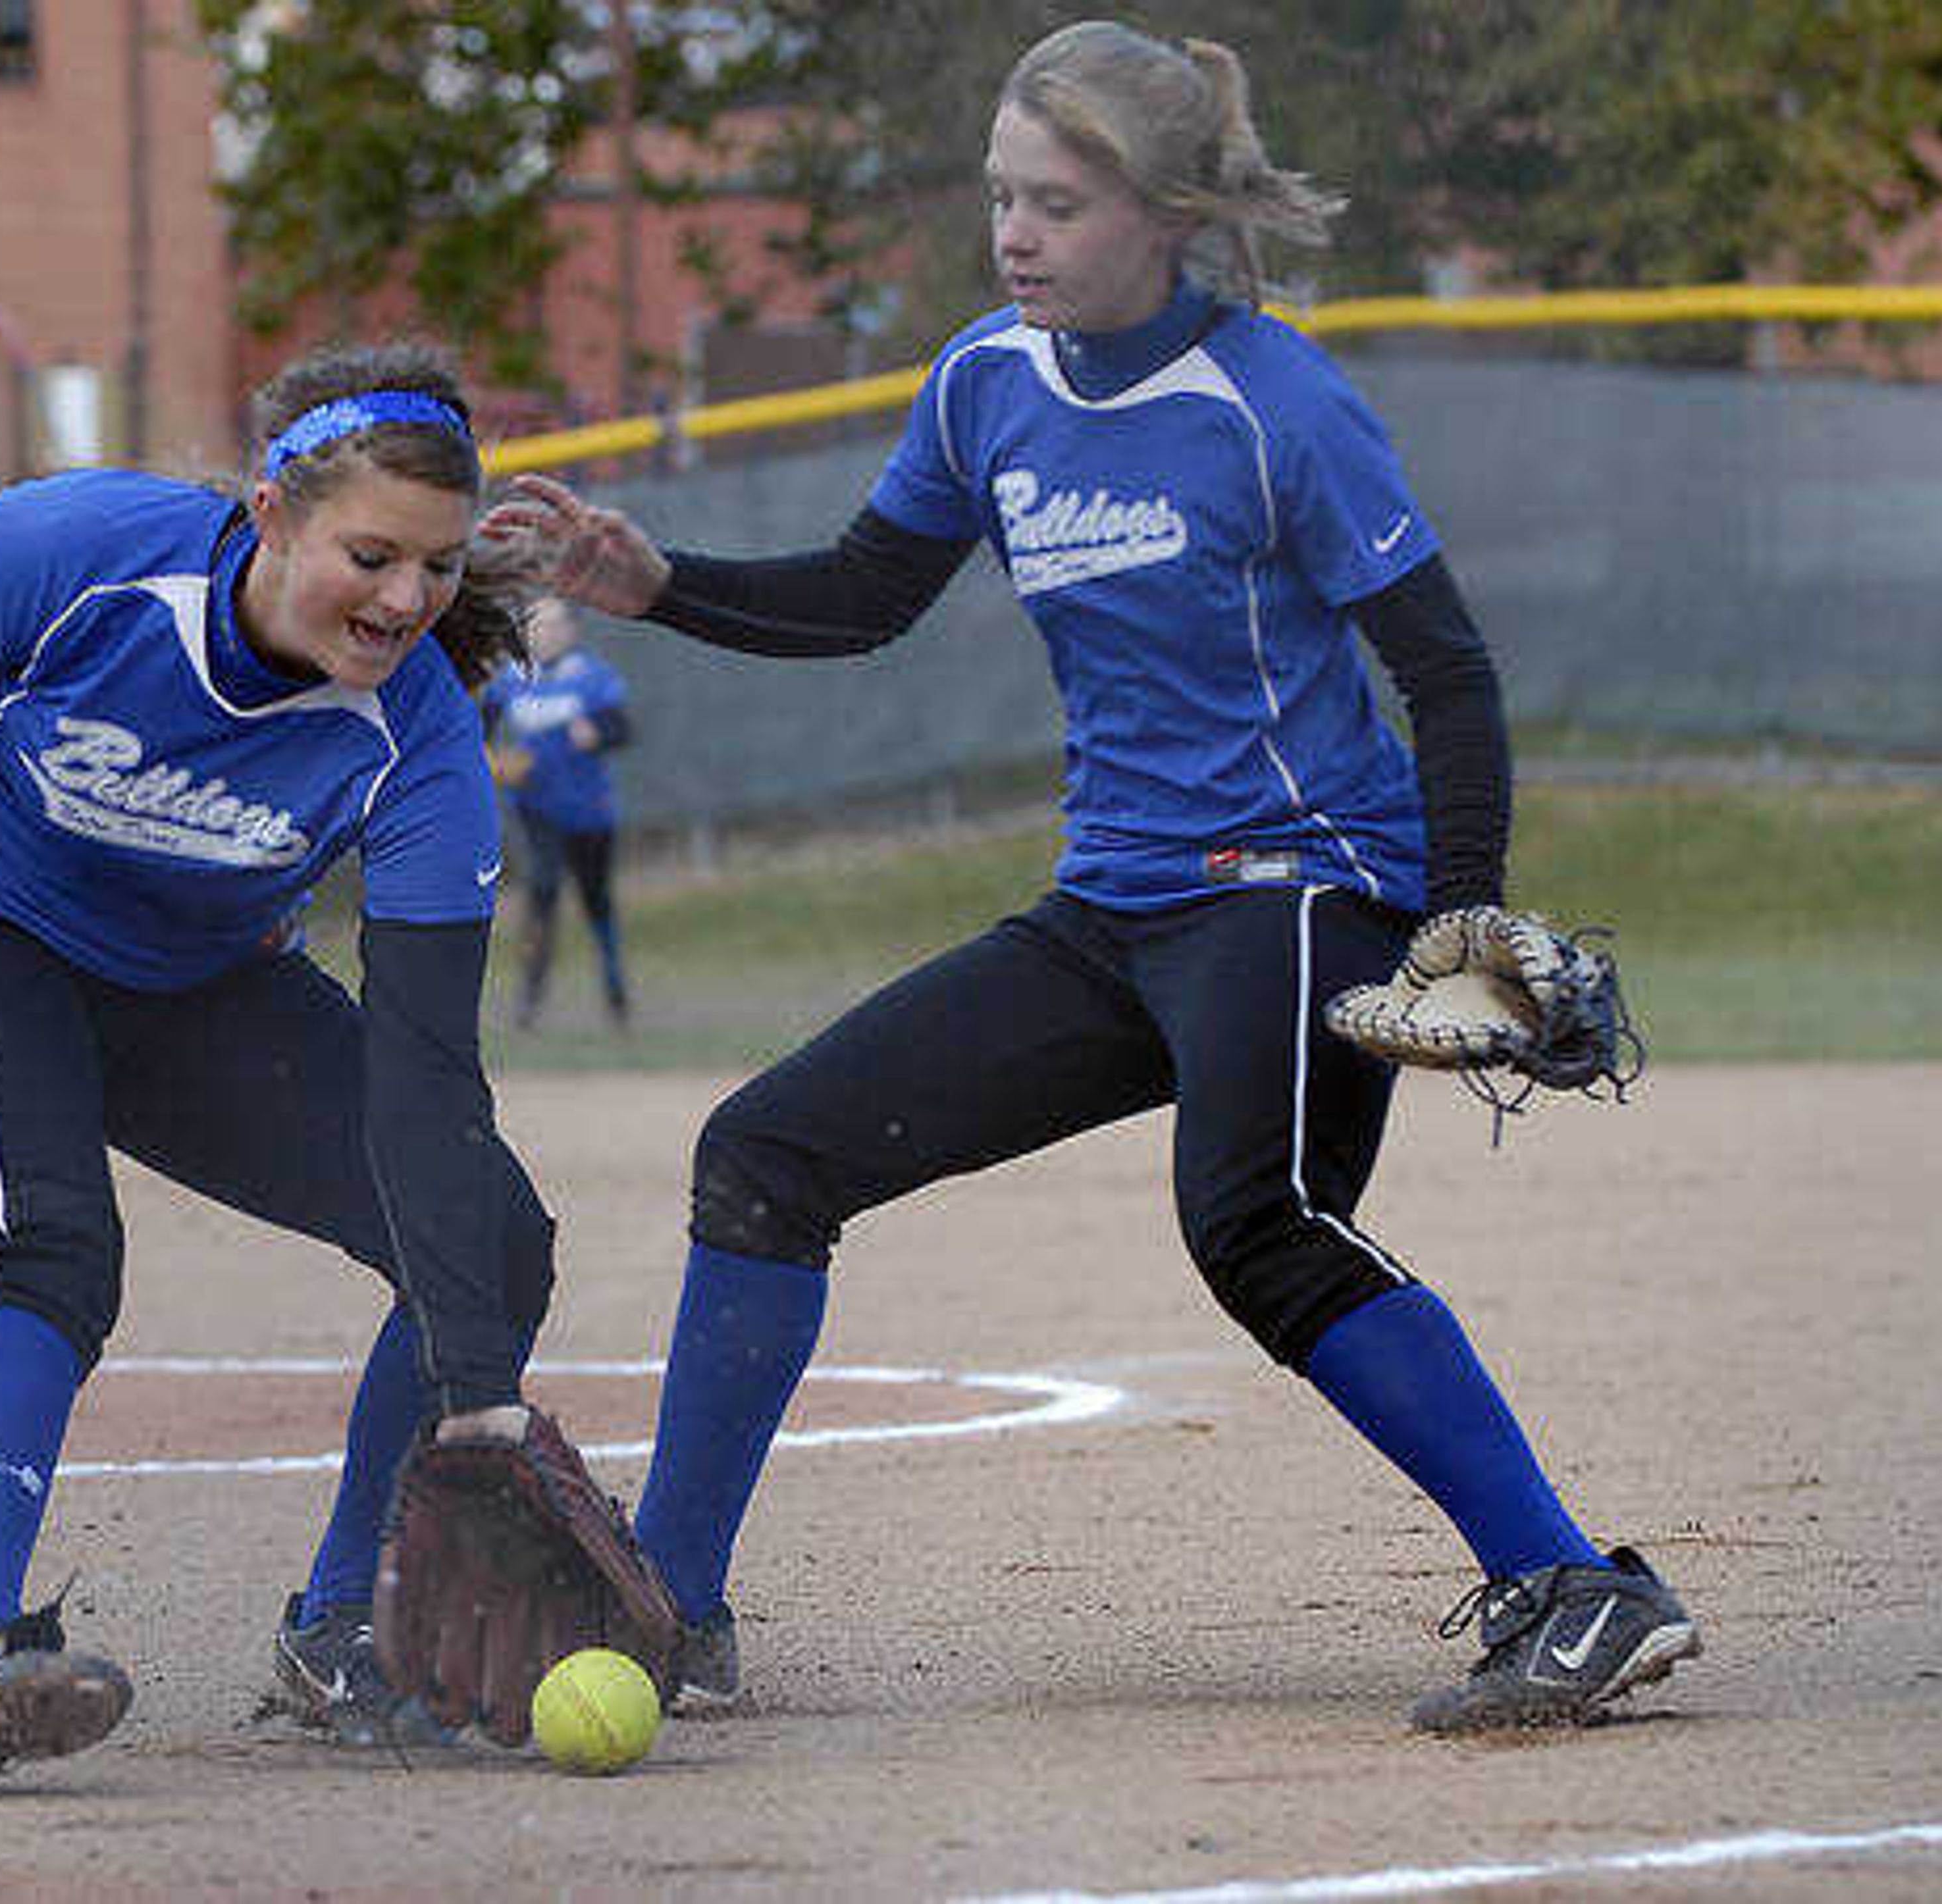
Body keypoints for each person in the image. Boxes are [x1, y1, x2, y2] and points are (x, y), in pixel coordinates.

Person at [486, 19, 1700, 1734]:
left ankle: (1579, 1582)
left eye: (1056, 201)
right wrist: (655, 578)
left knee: (1258, 1222)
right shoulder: (990, 379)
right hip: (1117, 904)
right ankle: (674, 1605)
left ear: (1171, 217)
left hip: (1299, 888)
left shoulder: (1274, 401)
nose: (1015, 234)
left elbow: (1446, 671)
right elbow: (863, 595)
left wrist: (1463, 917)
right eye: (1002, 194)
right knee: (766, 1154)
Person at [0, 340, 566, 1794]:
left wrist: (473, 1383)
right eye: (373, 554)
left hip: (195, 985)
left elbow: (426, 1080)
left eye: (441, 568)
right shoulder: (94, 551)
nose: (408, 600)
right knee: (48, 1247)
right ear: (271, 512)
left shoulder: (423, 749)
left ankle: (348, 1627)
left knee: (490, 1236)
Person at [481, 597, 635, 1026]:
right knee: (543, 890)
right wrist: (492, 759)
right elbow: (480, 732)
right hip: (536, 808)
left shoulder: (591, 678)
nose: (543, 633)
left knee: (596, 900)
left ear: (572, 631)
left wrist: (598, 733)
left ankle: (615, 988)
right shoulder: (510, 680)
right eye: (535, 625)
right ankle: (530, 999)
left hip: (590, 811)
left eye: (553, 625)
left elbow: (622, 728)